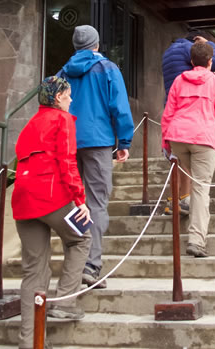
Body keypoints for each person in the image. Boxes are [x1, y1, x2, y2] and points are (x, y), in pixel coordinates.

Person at [12, 76, 92, 349]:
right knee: (81, 239)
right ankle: (66, 301)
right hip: (52, 194)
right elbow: (67, 160)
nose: (71, 100)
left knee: (33, 271)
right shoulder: (62, 120)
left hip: (23, 199)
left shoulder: (30, 124)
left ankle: (31, 342)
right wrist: (80, 199)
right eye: (68, 96)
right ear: (58, 97)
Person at [57, 25, 133, 289]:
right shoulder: (108, 68)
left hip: (67, 141)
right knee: (97, 202)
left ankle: (75, 264)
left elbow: (51, 104)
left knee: (74, 202)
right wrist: (124, 141)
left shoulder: (63, 72)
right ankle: (91, 264)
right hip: (99, 141)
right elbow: (119, 107)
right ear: (96, 44)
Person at [161, 42, 215, 258]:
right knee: (201, 189)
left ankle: (183, 204)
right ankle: (196, 240)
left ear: (191, 61)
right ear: (211, 62)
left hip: (178, 138)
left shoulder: (178, 81)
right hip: (204, 139)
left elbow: (168, 113)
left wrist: (166, 143)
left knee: (189, 179)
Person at [161, 30, 215, 215]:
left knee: (176, 159)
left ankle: (173, 200)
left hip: (172, 107)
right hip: (191, 107)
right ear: (195, 41)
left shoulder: (167, 53)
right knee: (188, 160)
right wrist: (209, 45)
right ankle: (183, 200)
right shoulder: (190, 49)